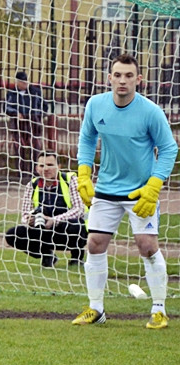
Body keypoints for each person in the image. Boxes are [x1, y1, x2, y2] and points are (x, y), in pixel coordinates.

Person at [72, 53, 178, 329]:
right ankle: (96, 309)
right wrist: (84, 173)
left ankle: (158, 309)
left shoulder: (151, 111)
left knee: (147, 246)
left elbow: (169, 148)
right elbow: (86, 139)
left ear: (138, 79)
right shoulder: (96, 105)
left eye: (129, 76)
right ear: (109, 78)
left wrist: (154, 185)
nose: (123, 81)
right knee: (94, 243)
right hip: (106, 189)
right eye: (117, 75)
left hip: (140, 192)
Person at [4, 151, 87, 268]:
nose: (46, 169)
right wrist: (29, 220)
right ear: (37, 168)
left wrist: (54, 220)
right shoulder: (32, 185)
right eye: (42, 166)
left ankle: (76, 258)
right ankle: (47, 255)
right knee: (13, 234)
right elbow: (25, 214)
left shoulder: (70, 180)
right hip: (44, 231)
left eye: (50, 165)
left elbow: (79, 209)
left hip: (67, 230)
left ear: (59, 166)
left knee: (76, 224)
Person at [4, 70, 47, 172]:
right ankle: (21, 171)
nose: (25, 84)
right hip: (18, 125)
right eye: (22, 82)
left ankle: (35, 171)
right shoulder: (11, 93)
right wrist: (16, 113)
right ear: (17, 82)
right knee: (19, 147)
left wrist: (38, 115)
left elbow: (44, 107)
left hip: (34, 124)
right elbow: (6, 107)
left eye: (26, 82)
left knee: (35, 147)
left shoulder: (36, 92)